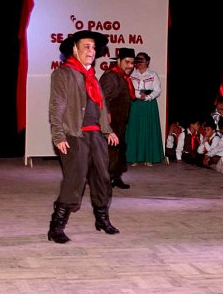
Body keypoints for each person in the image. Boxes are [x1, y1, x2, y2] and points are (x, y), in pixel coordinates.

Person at [48, 30, 121, 244]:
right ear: (75, 49)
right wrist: (58, 135)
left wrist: (107, 130)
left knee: (102, 178)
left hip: (96, 134)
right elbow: (56, 106)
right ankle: (56, 226)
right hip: (74, 135)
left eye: (93, 47)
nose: (91, 51)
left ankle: (102, 219)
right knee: (75, 180)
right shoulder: (63, 74)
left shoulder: (92, 77)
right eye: (86, 47)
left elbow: (101, 106)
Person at [100, 47, 135, 189]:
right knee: (109, 151)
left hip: (120, 121)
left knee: (118, 150)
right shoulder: (111, 77)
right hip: (110, 122)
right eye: (127, 62)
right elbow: (101, 97)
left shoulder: (123, 77)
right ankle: (104, 180)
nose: (130, 66)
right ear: (119, 61)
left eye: (132, 63)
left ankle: (115, 177)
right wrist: (106, 114)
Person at [126, 52, 164, 166]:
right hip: (135, 104)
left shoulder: (152, 74)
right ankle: (133, 157)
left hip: (149, 105)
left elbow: (157, 90)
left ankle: (149, 157)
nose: (140, 62)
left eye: (142, 60)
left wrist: (147, 97)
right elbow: (128, 88)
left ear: (147, 61)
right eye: (138, 60)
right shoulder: (132, 74)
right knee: (134, 129)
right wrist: (138, 95)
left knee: (148, 129)